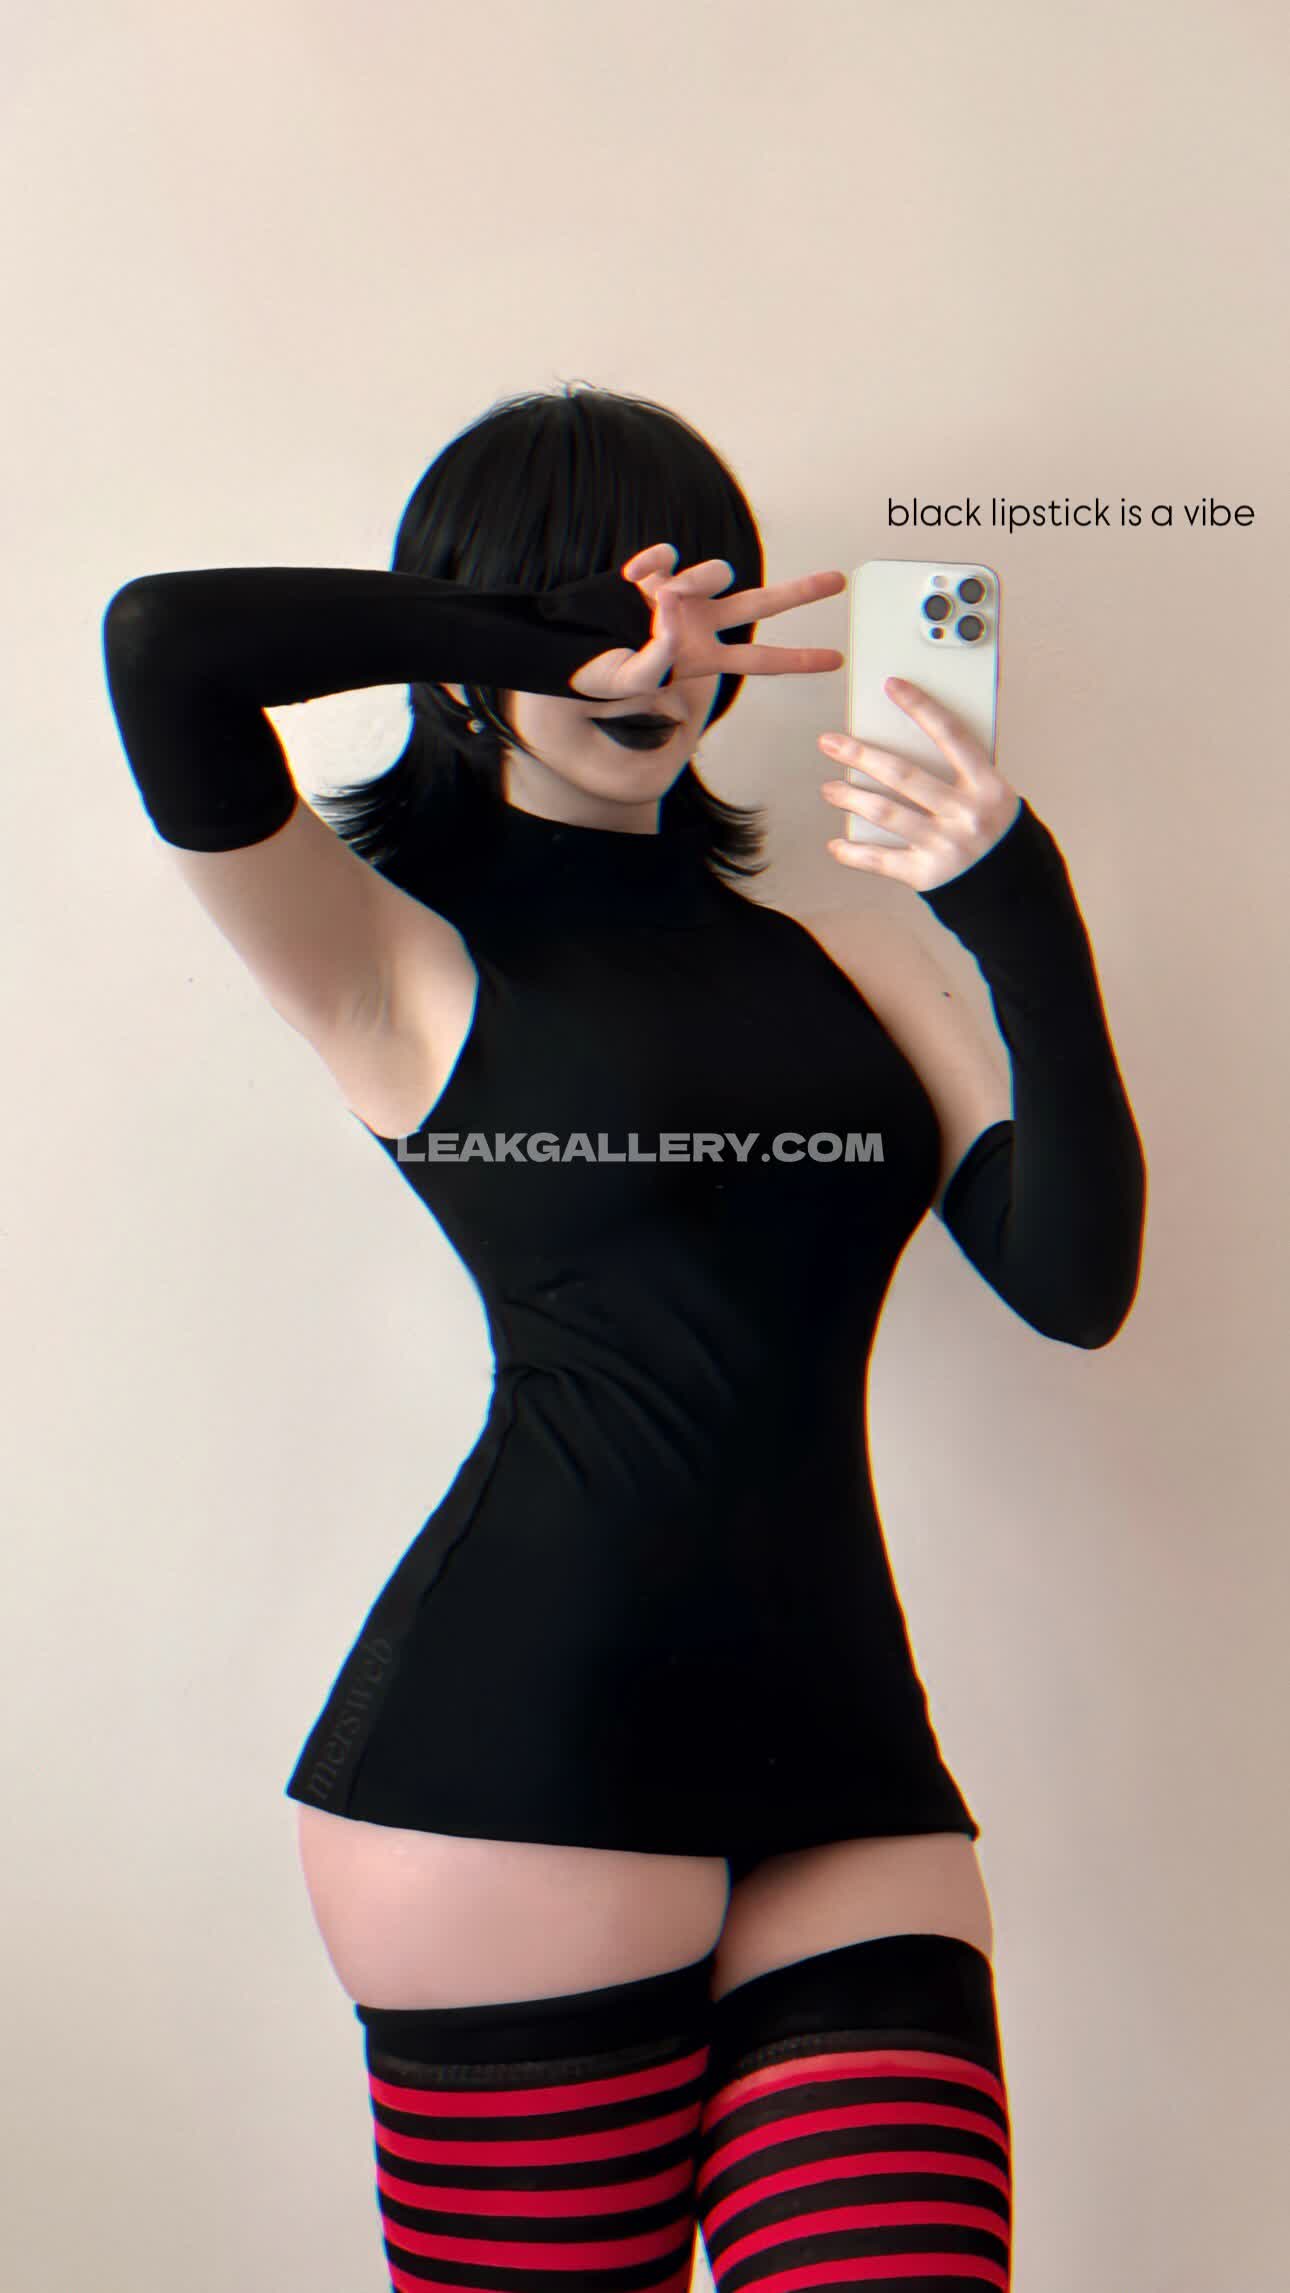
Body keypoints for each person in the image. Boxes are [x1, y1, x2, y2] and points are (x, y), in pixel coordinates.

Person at [102, 382, 1145, 2290]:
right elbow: (167, 646)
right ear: (488, 640)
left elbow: (1073, 1284)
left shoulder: (852, 951)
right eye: (598, 600)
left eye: (696, 600)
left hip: (845, 1764)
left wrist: (1018, 905)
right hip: (512, 1770)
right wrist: (527, 636)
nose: (656, 645)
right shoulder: (387, 949)